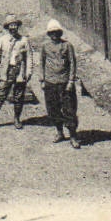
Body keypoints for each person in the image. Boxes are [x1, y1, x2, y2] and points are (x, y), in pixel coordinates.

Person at [39, 19, 82, 147]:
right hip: (50, 83)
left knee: (69, 110)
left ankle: (73, 136)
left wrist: (70, 81)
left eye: (56, 32)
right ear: (49, 34)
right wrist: (42, 80)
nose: (54, 35)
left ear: (60, 33)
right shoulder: (45, 47)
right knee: (53, 109)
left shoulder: (67, 46)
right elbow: (41, 63)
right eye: (52, 33)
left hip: (64, 84)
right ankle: (59, 132)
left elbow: (73, 64)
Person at [0, 16, 32, 129]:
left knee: (18, 96)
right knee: (0, 95)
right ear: (7, 27)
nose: (13, 27)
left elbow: (29, 57)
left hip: (19, 71)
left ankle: (17, 119)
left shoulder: (24, 40)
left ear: (18, 26)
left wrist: (28, 72)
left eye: (15, 25)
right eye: (10, 25)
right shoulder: (2, 40)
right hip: (6, 71)